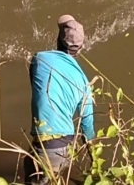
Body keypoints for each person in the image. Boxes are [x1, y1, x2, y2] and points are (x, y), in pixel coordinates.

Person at [23, 14, 96, 185]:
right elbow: (87, 126)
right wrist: (94, 161)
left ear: (58, 39)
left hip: (47, 144)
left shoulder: (40, 58)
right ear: (81, 47)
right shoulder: (85, 82)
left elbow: (35, 85)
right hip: (67, 148)